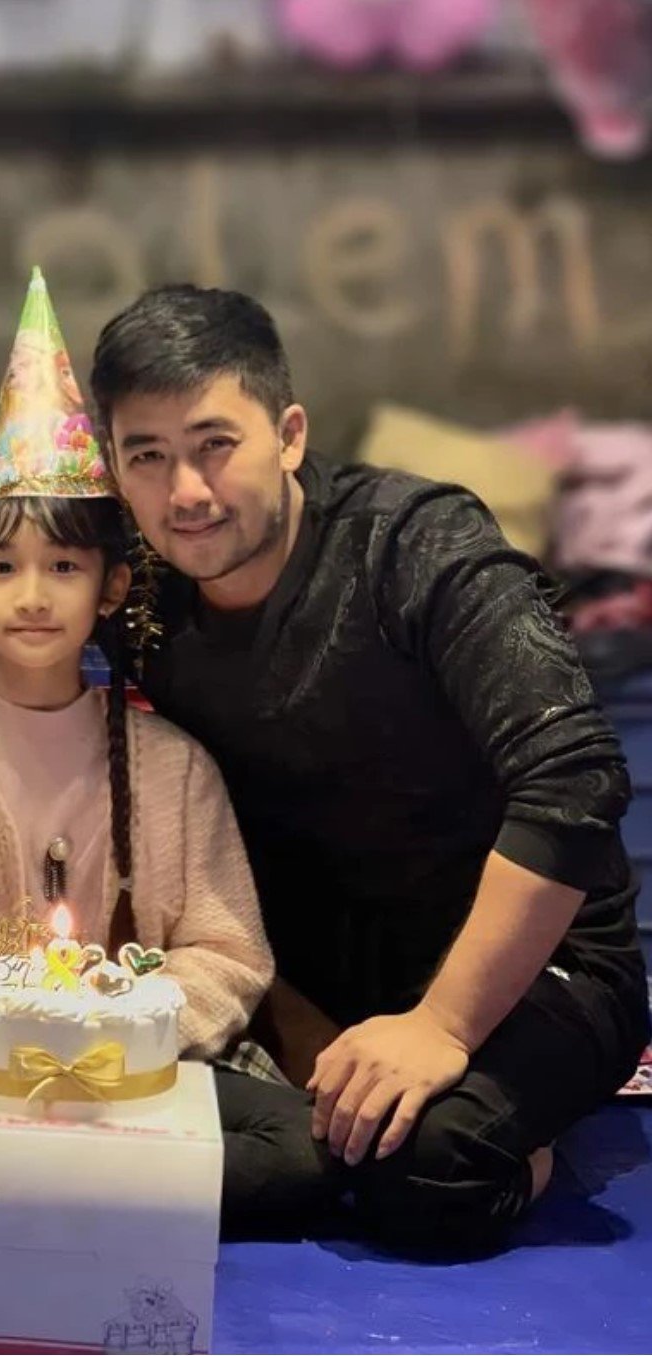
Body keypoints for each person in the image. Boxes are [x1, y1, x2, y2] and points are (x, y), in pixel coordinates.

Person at [87, 283, 650, 1251]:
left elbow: (576, 781)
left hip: (532, 968)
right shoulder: (140, 605)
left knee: (425, 1175)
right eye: (148, 456)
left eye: (215, 444)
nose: (185, 492)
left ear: (289, 435)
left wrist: (442, 1026)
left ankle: (529, 1128)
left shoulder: (415, 546)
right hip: (319, 988)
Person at [0, 269, 336, 1233]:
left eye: (64, 566)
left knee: (302, 1150)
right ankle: (85, 1196)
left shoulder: (173, 766)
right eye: (0, 567)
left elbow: (230, 951)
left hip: (139, 1077)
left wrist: (117, 1036)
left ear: (111, 589)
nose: (32, 596)